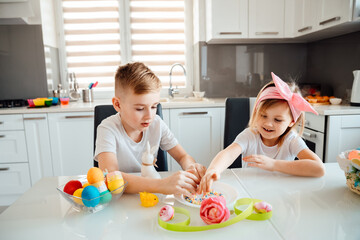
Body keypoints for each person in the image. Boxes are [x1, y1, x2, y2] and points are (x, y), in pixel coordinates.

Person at [199, 72, 325, 193]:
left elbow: (319, 169)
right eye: (263, 116)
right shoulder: (250, 135)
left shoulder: (291, 139)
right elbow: (228, 154)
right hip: (251, 193)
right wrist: (213, 170)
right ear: (256, 112)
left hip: (282, 195)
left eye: (277, 119)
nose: (268, 124)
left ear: (292, 121)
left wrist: (274, 164)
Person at [94, 62, 206, 196]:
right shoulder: (107, 129)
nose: (149, 116)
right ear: (118, 104)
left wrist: (191, 169)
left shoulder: (157, 123)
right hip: (121, 200)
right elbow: (110, 177)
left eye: (154, 107)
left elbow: (182, 156)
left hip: (151, 197)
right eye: (140, 108)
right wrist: (162, 185)